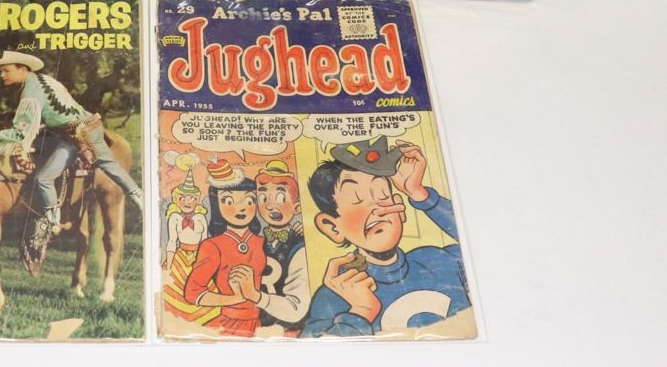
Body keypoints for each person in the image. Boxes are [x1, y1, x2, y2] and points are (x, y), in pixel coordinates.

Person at [0, 51, 142, 272]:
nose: (2, 75)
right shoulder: (44, 80)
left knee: (78, 171)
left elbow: (19, 135)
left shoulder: (30, 95)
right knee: (75, 173)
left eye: (6, 70)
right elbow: (56, 111)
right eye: (1, 71)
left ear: (22, 69)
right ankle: (58, 218)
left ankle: (59, 219)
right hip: (79, 132)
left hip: (80, 135)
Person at [300, 136, 472, 338]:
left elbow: (481, 245)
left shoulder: (438, 260)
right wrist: (361, 312)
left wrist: (420, 194)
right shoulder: (334, 295)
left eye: (382, 194)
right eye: (355, 197)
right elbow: (312, 352)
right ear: (332, 227)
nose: (376, 208)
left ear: (400, 208)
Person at [184, 159, 266, 337]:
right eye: (229, 201)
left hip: (266, 323)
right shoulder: (212, 246)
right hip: (231, 324)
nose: (241, 208)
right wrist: (234, 299)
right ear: (217, 205)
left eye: (249, 200)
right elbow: (192, 293)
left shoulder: (263, 242)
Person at [250, 161, 309, 332]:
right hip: (257, 328)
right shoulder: (256, 242)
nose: (270, 205)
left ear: (297, 207)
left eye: (280, 197)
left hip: (290, 329)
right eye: (263, 198)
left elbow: (297, 306)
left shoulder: (299, 246)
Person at [162, 154, 218, 326]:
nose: (188, 202)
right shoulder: (174, 218)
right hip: (179, 257)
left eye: (192, 198)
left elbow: (205, 241)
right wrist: (169, 266)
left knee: (201, 286)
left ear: (197, 200)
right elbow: (172, 242)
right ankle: (177, 322)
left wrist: (205, 262)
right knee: (175, 289)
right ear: (177, 200)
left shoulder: (200, 218)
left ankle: (202, 321)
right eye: (183, 198)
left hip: (198, 256)